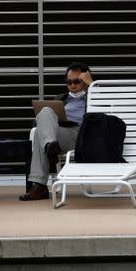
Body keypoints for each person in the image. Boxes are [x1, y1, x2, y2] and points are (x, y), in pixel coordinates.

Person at [19, 62, 93, 201]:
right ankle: (50, 146)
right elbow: (40, 122)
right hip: (60, 133)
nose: (73, 86)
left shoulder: (93, 97)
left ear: (85, 80)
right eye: (69, 82)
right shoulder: (62, 99)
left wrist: (91, 84)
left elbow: (104, 112)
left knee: (41, 134)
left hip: (82, 135)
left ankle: (40, 186)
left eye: (77, 81)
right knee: (45, 111)